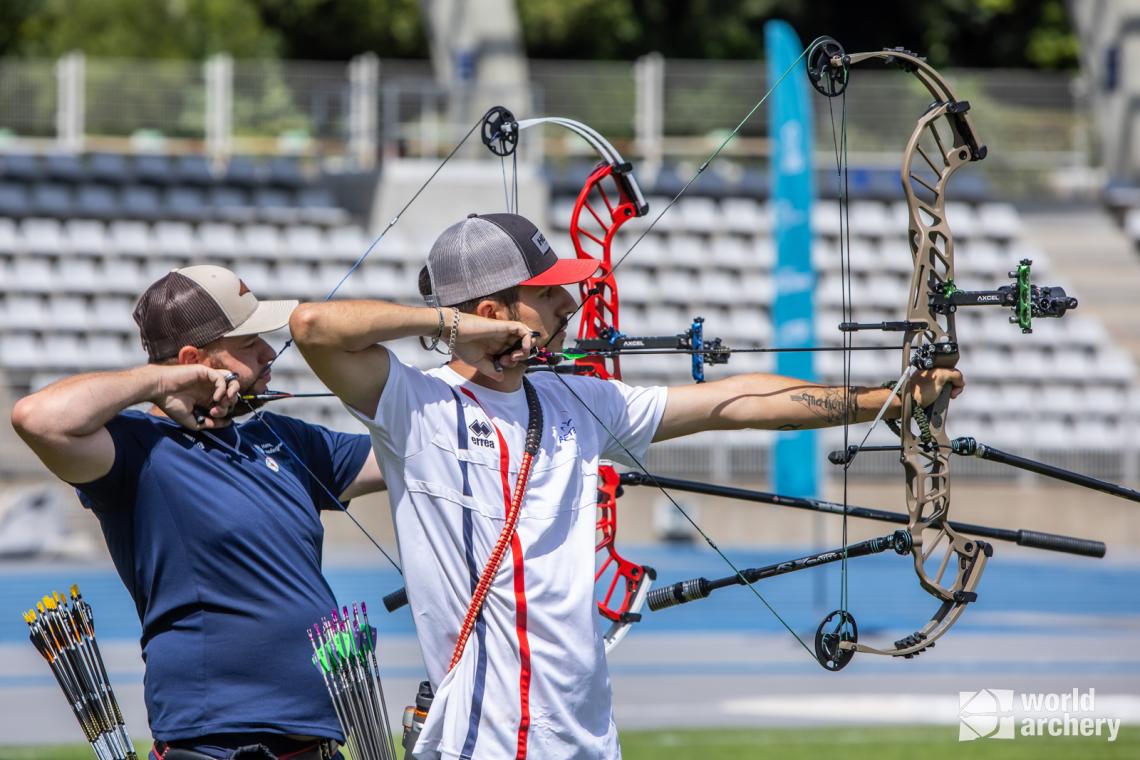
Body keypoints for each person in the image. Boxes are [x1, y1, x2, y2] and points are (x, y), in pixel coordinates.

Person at [288, 213, 965, 760]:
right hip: (485, 741)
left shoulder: (572, 400)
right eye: (548, 292)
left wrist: (887, 399)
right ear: (495, 309)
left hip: (588, 737)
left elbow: (732, 403)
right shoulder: (415, 406)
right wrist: (459, 327)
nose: (569, 302)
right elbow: (313, 328)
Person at [11, 265, 386, 760]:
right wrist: (160, 382)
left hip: (316, 742)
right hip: (215, 747)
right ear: (195, 360)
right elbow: (35, 419)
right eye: (251, 344)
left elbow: (410, 455)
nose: (270, 354)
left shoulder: (284, 438)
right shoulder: (136, 449)